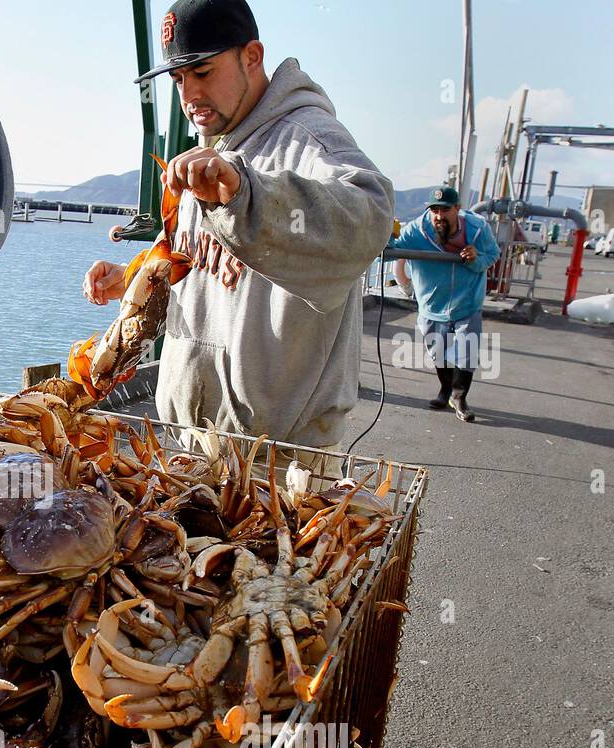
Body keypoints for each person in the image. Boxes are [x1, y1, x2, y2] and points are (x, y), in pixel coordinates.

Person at [82, 0, 394, 466]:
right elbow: (198, 263)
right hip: (192, 444)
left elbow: (371, 215)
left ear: (252, 56)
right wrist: (134, 279)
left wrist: (250, 192)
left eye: (203, 72)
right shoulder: (212, 150)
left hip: (281, 461)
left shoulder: (306, 137)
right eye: (178, 79)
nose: (189, 94)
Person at [389, 185, 501, 422]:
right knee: (438, 352)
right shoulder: (416, 231)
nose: (440, 215)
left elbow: (492, 254)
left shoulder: (478, 230)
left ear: (457, 209)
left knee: (466, 352)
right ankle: (445, 390)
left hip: (466, 303)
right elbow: (391, 251)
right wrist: (387, 232)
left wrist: (476, 259)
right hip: (432, 305)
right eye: (435, 210)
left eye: (446, 209)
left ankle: (460, 397)